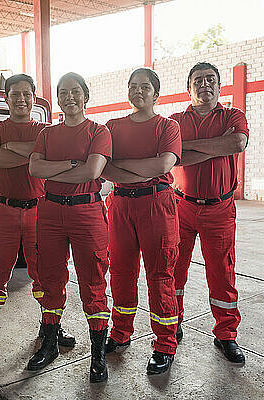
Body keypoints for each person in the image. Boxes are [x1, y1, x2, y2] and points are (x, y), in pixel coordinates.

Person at [0, 74, 76, 354]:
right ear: (6, 98)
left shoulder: (45, 131)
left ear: (34, 97)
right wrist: (34, 156)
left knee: (47, 270)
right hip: (4, 210)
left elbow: (39, 158)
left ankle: (50, 324)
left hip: (41, 211)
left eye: (27, 94)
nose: (21, 100)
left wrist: (11, 149)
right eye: (15, 94)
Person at [27, 72, 112, 383]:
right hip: (49, 212)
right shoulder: (47, 134)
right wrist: (69, 165)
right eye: (63, 92)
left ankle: (98, 354)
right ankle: (49, 343)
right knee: (50, 277)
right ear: (58, 98)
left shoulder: (98, 131)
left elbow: (91, 171)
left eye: (75, 91)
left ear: (85, 96)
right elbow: (35, 169)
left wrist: (59, 169)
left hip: (87, 212)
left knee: (93, 280)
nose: (69, 97)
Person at [101, 68, 181, 374]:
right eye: (133, 86)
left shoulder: (167, 127)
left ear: (156, 94)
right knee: (120, 272)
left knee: (160, 275)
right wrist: (141, 169)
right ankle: (120, 333)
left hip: (157, 204)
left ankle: (164, 345)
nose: (138, 91)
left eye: (145, 87)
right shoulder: (112, 127)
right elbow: (104, 169)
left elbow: (163, 164)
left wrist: (124, 167)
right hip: (120, 205)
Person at [170, 62, 248, 363]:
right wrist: (217, 145)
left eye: (210, 80)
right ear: (189, 88)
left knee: (222, 273)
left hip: (220, 209)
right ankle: (171, 326)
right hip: (181, 206)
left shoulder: (233, 115)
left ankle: (226, 335)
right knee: (173, 269)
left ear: (219, 85)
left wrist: (192, 149)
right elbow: (174, 155)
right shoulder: (176, 120)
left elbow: (238, 142)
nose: (205, 85)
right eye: (198, 80)